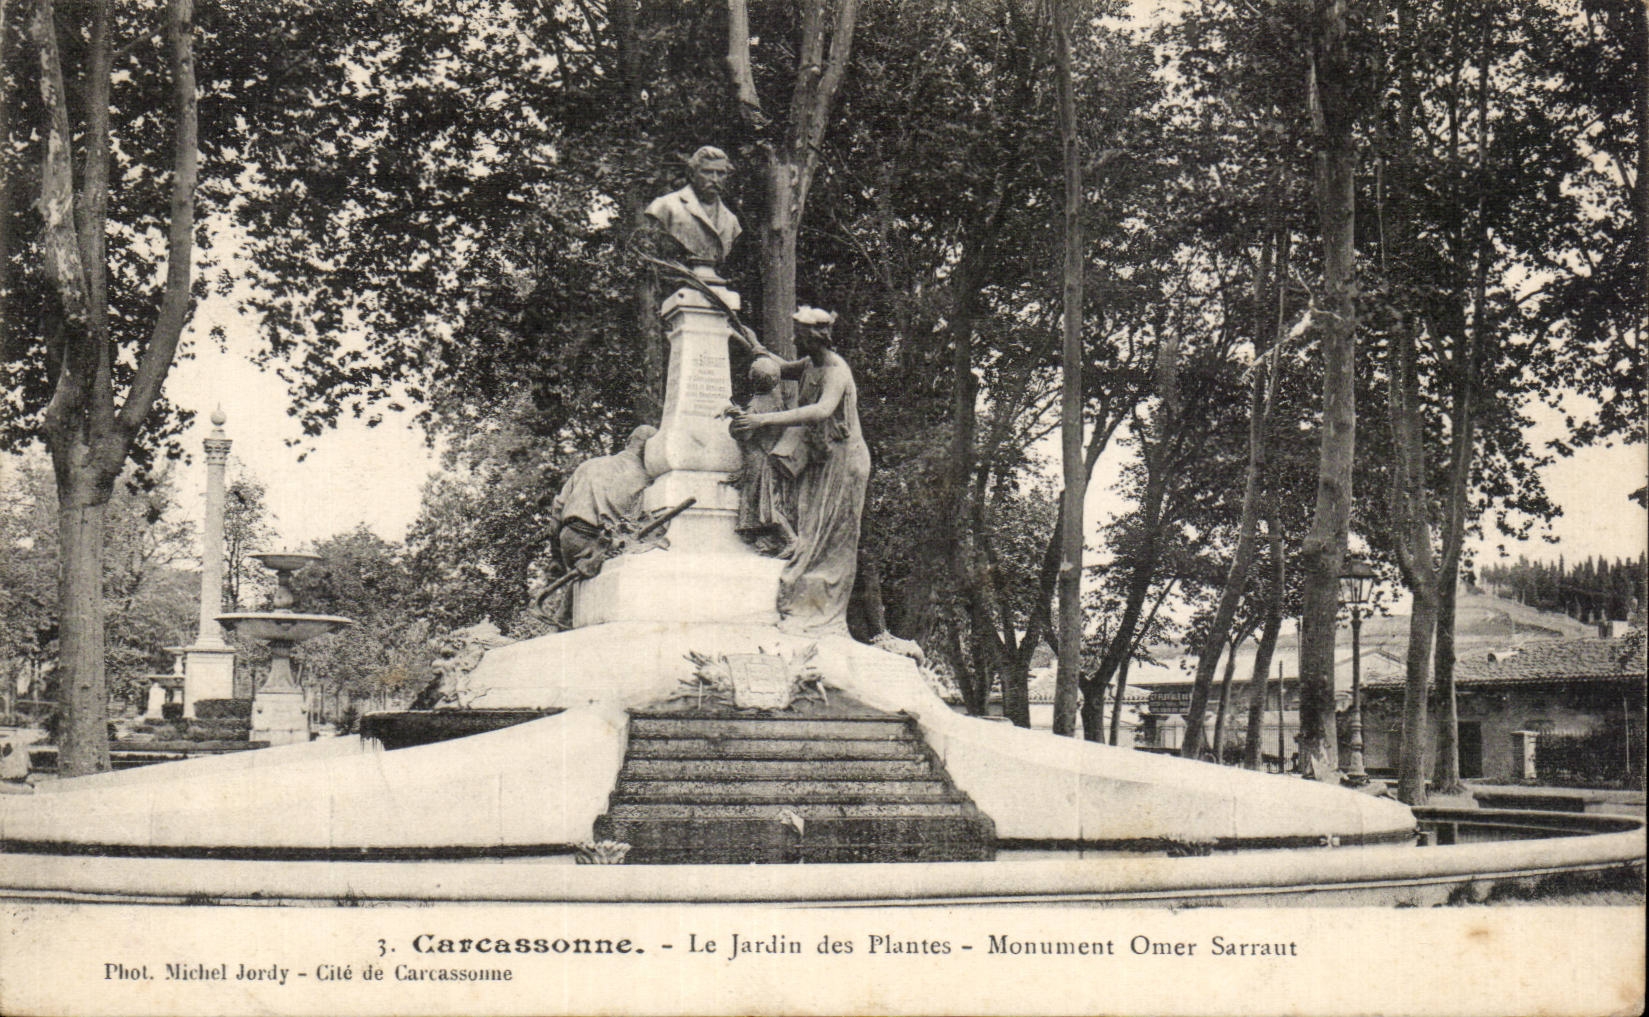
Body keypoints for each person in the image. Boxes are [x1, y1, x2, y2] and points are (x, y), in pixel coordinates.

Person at [729, 307, 870, 636]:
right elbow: (777, 366)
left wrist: (761, 419)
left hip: (844, 461)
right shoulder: (809, 365)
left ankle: (820, 610)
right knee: (813, 528)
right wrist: (749, 341)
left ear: (815, 336)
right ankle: (808, 601)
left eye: (798, 333)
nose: (793, 338)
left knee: (832, 536)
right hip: (823, 459)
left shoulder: (836, 370)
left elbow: (821, 410)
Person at [546, 424, 658, 580]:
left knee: (579, 586)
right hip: (599, 542)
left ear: (628, 441)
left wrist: (556, 558)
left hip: (570, 538)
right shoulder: (647, 480)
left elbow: (557, 509)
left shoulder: (590, 465)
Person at [728, 358, 800, 558]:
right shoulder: (777, 400)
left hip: (760, 459)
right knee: (769, 500)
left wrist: (735, 418)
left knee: (766, 503)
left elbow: (745, 434)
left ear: (752, 378)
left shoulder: (757, 405)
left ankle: (791, 539)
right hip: (773, 454)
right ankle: (767, 542)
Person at [644, 146, 742, 278]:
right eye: (707, 172)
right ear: (692, 174)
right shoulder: (665, 206)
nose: (714, 179)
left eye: (720, 173)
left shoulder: (731, 220)